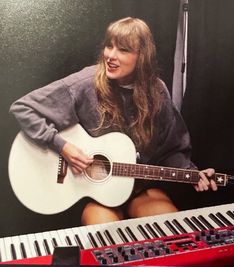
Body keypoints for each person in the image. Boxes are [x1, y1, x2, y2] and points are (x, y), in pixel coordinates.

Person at [10, 17, 217, 225]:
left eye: (123, 50)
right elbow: (23, 108)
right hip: (97, 194)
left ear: (142, 57)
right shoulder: (85, 83)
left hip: (140, 189)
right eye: (109, 46)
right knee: (105, 240)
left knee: (173, 229)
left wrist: (192, 173)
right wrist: (63, 148)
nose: (111, 56)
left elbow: (173, 147)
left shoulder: (157, 91)